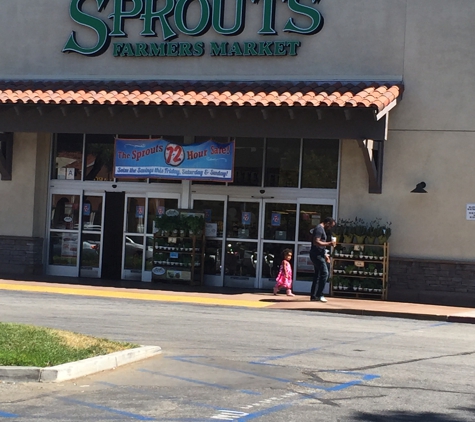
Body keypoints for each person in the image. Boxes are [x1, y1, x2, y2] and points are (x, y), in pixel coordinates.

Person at [309, 217, 336, 302]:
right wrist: (329, 243)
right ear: (327, 223)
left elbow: (320, 244)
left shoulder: (321, 229)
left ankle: (314, 296)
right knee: (325, 273)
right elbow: (316, 242)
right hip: (316, 255)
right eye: (331, 226)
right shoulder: (319, 229)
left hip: (319, 254)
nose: (330, 228)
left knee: (317, 274)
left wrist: (325, 254)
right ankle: (319, 294)